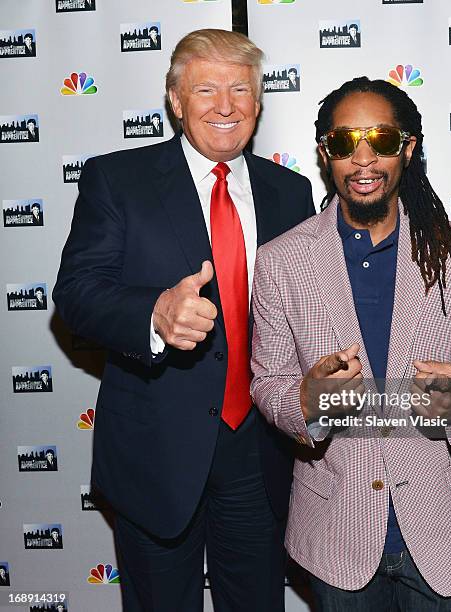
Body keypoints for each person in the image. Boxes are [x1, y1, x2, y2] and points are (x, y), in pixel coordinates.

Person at [53, 28, 314, 612]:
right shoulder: (117, 179)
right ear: (175, 99)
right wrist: (152, 312)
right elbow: (75, 293)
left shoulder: (290, 192)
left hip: (260, 453)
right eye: (206, 89)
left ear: (258, 102)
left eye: (241, 90)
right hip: (155, 454)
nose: (225, 105)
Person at [251, 77, 451, 610]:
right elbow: (268, 383)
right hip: (338, 535)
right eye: (342, 143)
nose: (362, 160)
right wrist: (305, 401)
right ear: (323, 153)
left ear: (408, 147)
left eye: (379, 139)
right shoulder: (281, 261)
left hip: (445, 535)